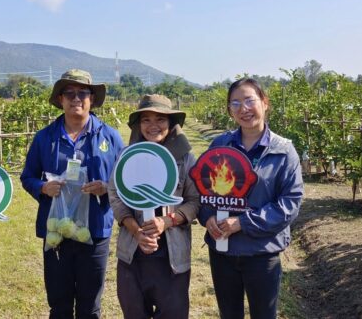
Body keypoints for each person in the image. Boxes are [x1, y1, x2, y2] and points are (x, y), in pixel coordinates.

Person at [20, 69, 124, 319]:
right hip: (57, 232)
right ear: (60, 99)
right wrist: (43, 187)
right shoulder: (45, 138)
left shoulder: (110, 137)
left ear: (92, 99)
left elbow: (123, 180)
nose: (76, 98)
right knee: (60, 305)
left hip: (95, 230)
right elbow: (27, 177)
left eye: (82, 93)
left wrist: (106, 187)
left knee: (90, 306)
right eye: (69, 93)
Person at [198, 78, 304, 319]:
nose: (243, 109)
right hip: (223, 252)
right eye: (235, 103)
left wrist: (242, 223)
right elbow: (204, 190)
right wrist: (208, 216)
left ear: (264, 103)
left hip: (262, 253)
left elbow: (289, 204)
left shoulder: (283, 151)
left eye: (249, 100)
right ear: (229, 110)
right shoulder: (220, 145)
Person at [109, 94, 200, 319]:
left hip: (172, 258)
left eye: (160, 119)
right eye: (146, 120)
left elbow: (194, 200)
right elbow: (115, 195)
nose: (153, 126)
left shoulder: (185, 159)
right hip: (132, 256)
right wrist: (136, 230)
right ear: (139, 125)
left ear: (170, 123)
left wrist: (167, 221)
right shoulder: (127, 157)